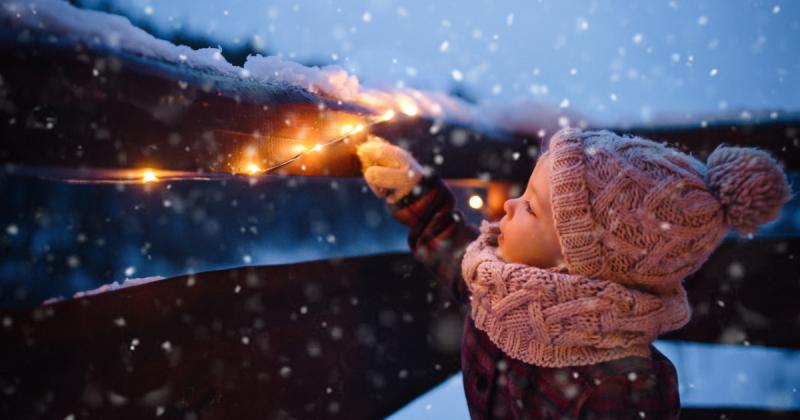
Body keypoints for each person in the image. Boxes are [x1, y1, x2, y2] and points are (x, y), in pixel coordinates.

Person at [356, 127, 791, 419]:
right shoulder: (498, 283)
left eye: (530, 206)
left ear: (574, 263)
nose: (508, 205)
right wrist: (412, 189)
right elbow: (450, 246)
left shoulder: (625, 384)